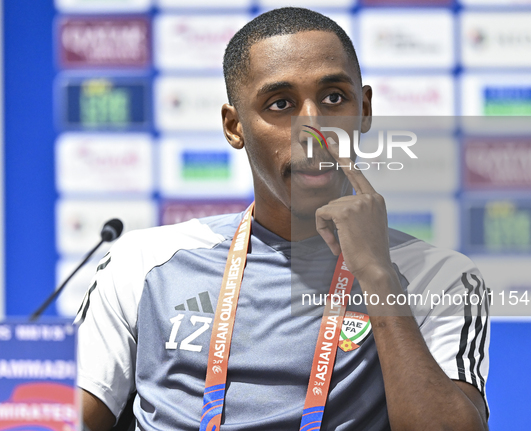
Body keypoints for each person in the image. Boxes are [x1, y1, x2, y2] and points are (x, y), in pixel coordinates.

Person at [76, 7, 490, 431]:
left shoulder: (436, 275)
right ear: (234, 126)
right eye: (281, 104)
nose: (313, 127)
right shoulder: (144, 263)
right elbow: (54, 418)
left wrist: (378, 274)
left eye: (333, 98)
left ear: (364, 110)